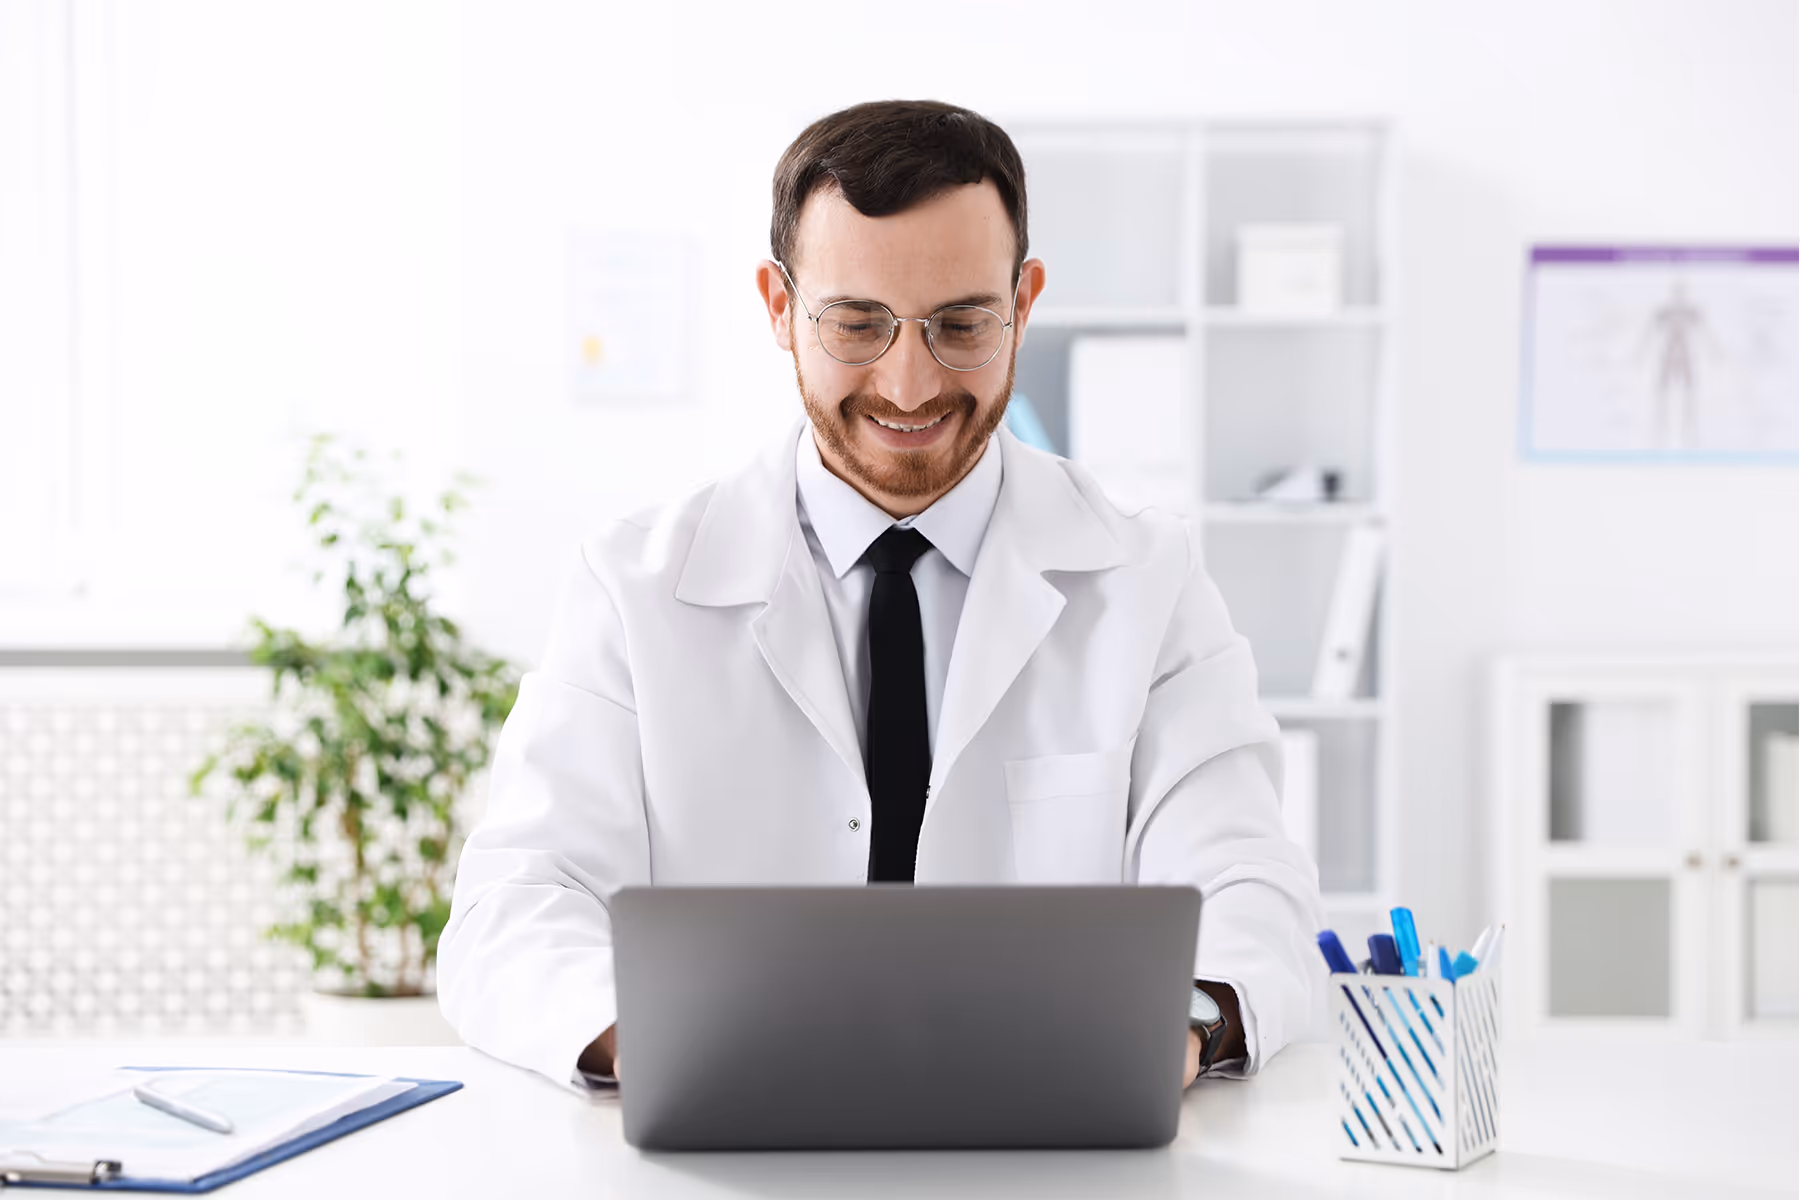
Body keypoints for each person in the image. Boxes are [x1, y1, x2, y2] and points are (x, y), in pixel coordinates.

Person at [438, 99, 1323, 1093]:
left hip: (1052, 1136)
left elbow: (1251, 885)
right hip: (732, 1133)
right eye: (857, 324)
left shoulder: (1146, 581)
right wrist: (646, 1037)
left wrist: (1188, 1016)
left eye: (963, 324)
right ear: (779, 307)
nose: (909, 384)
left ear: (1023, 304)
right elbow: (514, 905)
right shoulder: (634, 586)